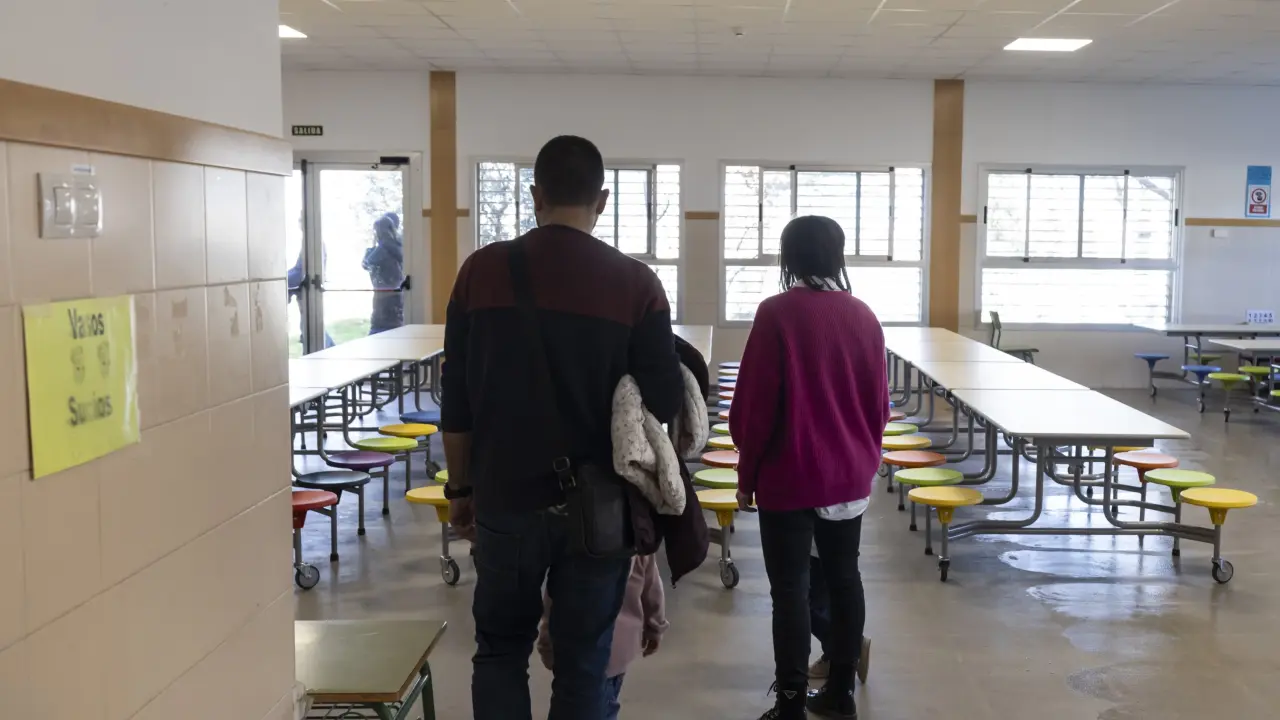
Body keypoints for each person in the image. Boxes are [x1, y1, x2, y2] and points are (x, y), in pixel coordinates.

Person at [439, 135, 684, 720]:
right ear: (602, 200)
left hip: (504, 496)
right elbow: (663, 401)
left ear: (535, 195)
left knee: (500, 650)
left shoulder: (480, 273)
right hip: (599, 507)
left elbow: (457, 400)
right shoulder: (637, 284)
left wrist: (461, 488)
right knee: (583, 662)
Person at [729, 215, 889, 720]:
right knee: (845, 579)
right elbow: (880, 407)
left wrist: (747, 474)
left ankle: (792, 704)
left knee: (791, 592)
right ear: (838, 256)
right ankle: (840, 693)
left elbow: (755, 408)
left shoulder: (776, 313)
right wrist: (862, 458)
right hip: (847, 476)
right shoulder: (864, 315)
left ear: (789, 257)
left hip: (789, 476)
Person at [536, 553, 669, 720]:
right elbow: (653, 590)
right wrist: (655, 628)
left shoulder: (572, 545)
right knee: (605, 705)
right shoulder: (639, 545)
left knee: (569, 704)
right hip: (617, 650)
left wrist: (547, 640)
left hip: (574, 650)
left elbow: (553, 597)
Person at [363, 211, 405, 335]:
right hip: (394, 292)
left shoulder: (384, 247)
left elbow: (367, 263)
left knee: (379, 329)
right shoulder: (398, 246)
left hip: (385, 294)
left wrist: (372, 248)